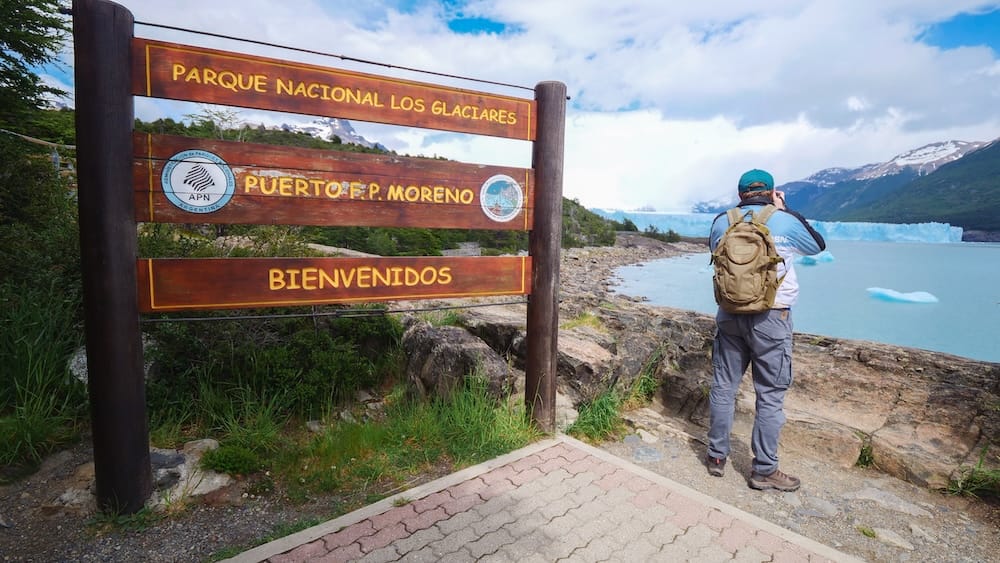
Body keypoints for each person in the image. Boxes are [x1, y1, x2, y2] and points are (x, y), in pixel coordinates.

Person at [706, 168, 826, 491]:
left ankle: (717, 457)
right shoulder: (783, 219)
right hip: (772, 319)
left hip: (729, 314)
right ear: (771, 192)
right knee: (770, 395)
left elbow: (713, 250)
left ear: (741, 193)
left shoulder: (722, 221)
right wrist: (783, 210)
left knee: (723, 386)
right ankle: (764, 469)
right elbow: (817, 245)